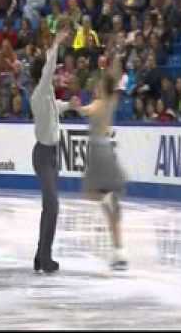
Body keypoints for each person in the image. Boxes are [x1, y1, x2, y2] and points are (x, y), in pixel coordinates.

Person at [73, 52, 128, 270]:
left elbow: (86, 109)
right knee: (109, 204)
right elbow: (83, 109)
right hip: (106, 150)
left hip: (98, 152)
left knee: (93, 194)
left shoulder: (101, 102)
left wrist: (114, 62)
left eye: (97, 86)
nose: (94, 88)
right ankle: (119, 250)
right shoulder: (106, 103)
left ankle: (107, 200)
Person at [29, 28, 76, 273]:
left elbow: (55, 107)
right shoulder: (38, 93)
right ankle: (45, 257)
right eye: (52, 72)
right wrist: (55, 45)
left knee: (50, 206)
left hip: (53, 155)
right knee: (53, 205)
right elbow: (48, 71)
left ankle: (41, 255)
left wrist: (70, 105)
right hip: (44, 155)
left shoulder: (46, 95)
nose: (55, 75)